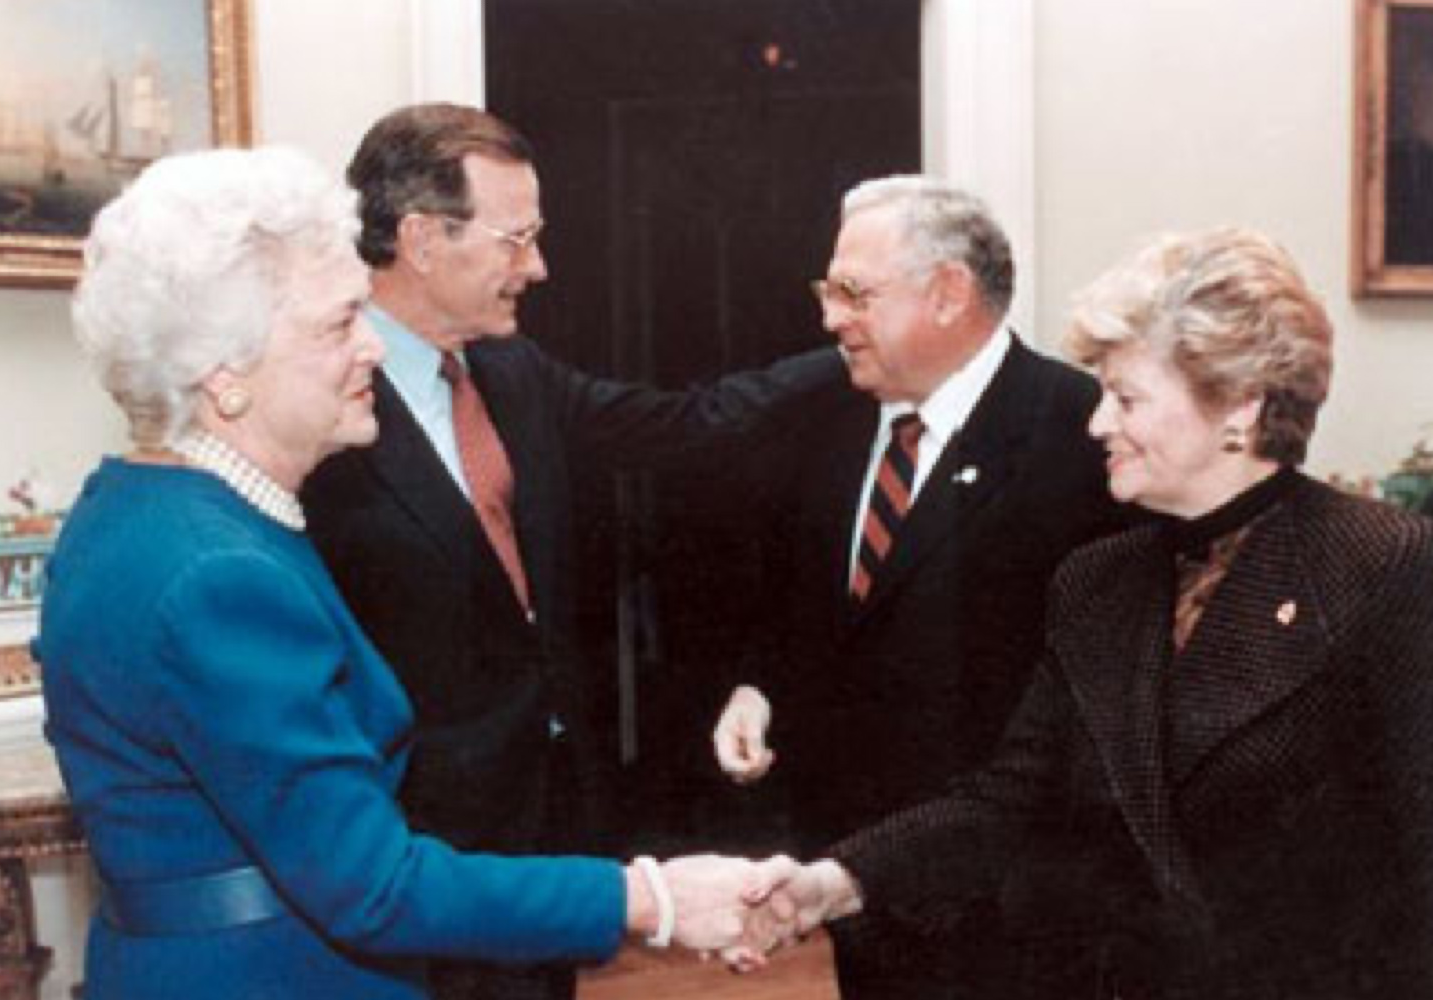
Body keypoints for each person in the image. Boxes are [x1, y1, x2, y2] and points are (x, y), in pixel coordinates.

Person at [35, 147, 795, 1000]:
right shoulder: (217, 576)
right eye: (335, 324)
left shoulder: (131, 510)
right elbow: (374, 887)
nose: (371, 347)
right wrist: (652, 897)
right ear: (225, 375)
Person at [761, 227, 1433, 999]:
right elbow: (1008, 800)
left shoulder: (1386, 564)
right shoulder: (1097, 580)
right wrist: (832, 883)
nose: (1096, 425)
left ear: (1239, 410)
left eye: (1127, 398)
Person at [297, 102, 846, 1000]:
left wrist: (856, 352)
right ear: (423, 239)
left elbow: (685, 427)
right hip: (409, 847)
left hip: (552, 817)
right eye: (516, 240)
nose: (538, 267)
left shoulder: (512, 373)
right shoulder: (315, 397)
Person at [709, 177, 1121, 999]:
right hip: (857, 872)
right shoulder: (823, 412)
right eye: (829, 291)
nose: (831, 319)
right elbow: (804, 600)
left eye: (855, 293)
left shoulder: (1080, 433)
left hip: (1012, 897)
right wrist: (759, 686)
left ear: (948, 294)